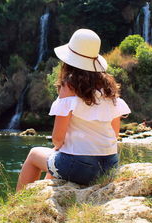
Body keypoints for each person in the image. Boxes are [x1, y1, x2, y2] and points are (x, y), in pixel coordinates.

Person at [16, 29, 131, 191]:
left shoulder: (68, 86)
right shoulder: (108, 88)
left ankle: (20, 203)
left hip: (81, 168)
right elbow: (115, 133)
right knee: (57, 159)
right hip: (109, 165)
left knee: (34, 154)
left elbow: (57, 139)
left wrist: (60, 148)